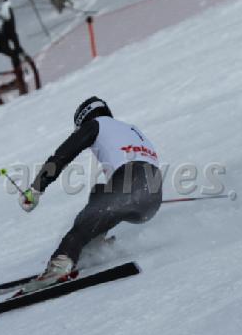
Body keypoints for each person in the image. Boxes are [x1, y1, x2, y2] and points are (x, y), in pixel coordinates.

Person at [16, 96, 163, 293]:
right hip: (152, 198)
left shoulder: (96, 124)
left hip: (131, 185)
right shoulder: (131, 129)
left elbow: (61, 156)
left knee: (85, 220)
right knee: (100, 193)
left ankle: (60, 265)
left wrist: (36, 188)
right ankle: (93, 247)